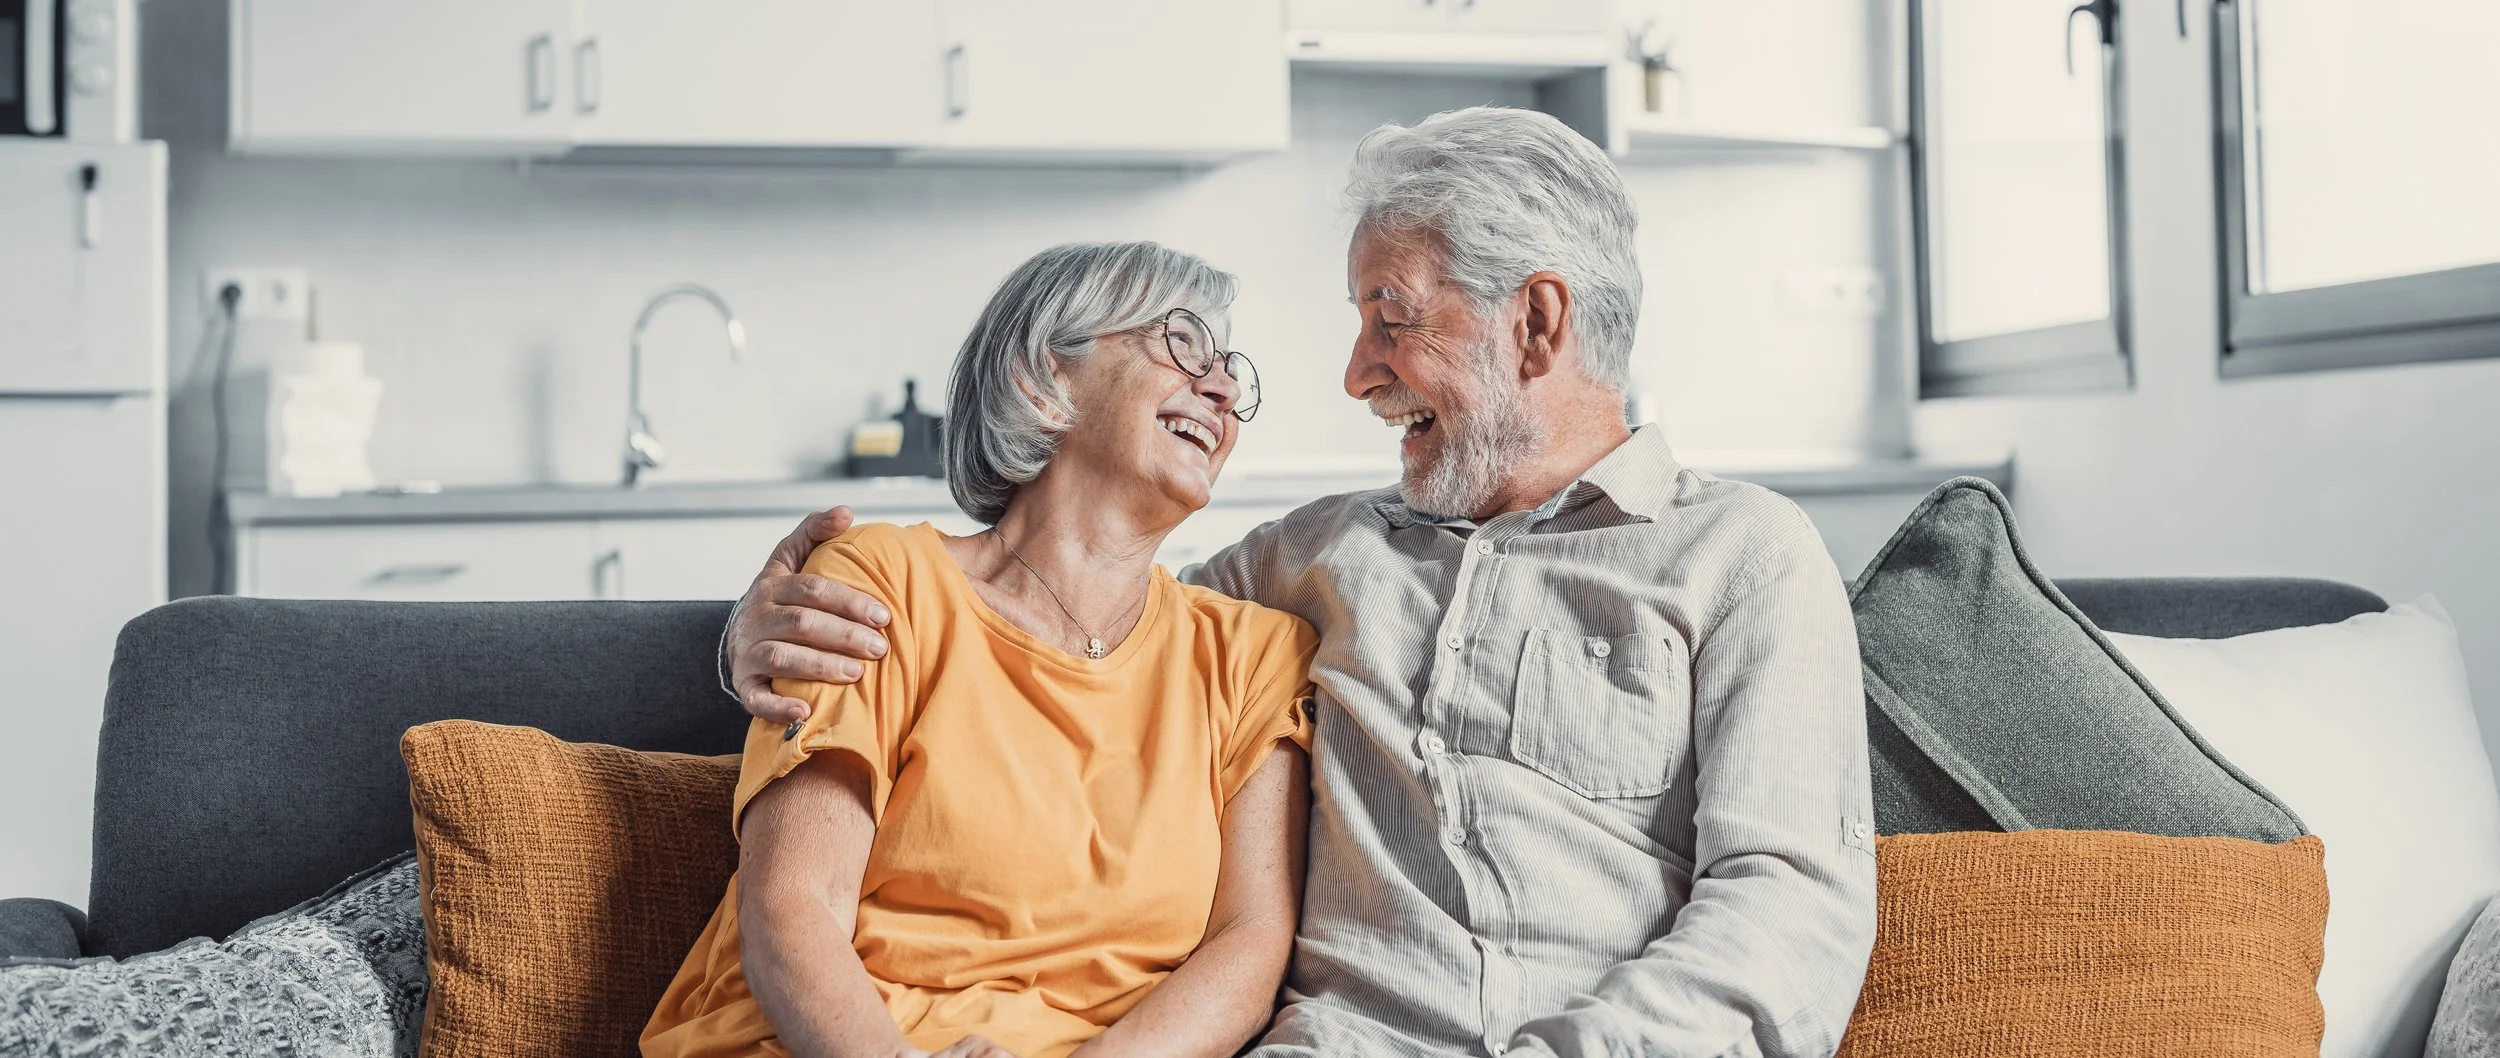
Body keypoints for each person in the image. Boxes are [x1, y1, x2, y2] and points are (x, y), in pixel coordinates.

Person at [721, 107, 1877, 1058]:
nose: (1356, 372)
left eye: (1391, 319)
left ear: (1535, 322)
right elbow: (1057, 615)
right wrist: (748, 631)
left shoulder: (1743, 554)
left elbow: (1788, 909)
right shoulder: (1306, 565)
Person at [641, 242, 1319, 1058]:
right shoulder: (885, 583)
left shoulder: (1254, 655)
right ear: (1042, 379)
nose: (1223, 388)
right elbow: (794, 905)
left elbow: (1248, 948)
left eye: (1230, 369)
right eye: (1181, 343)